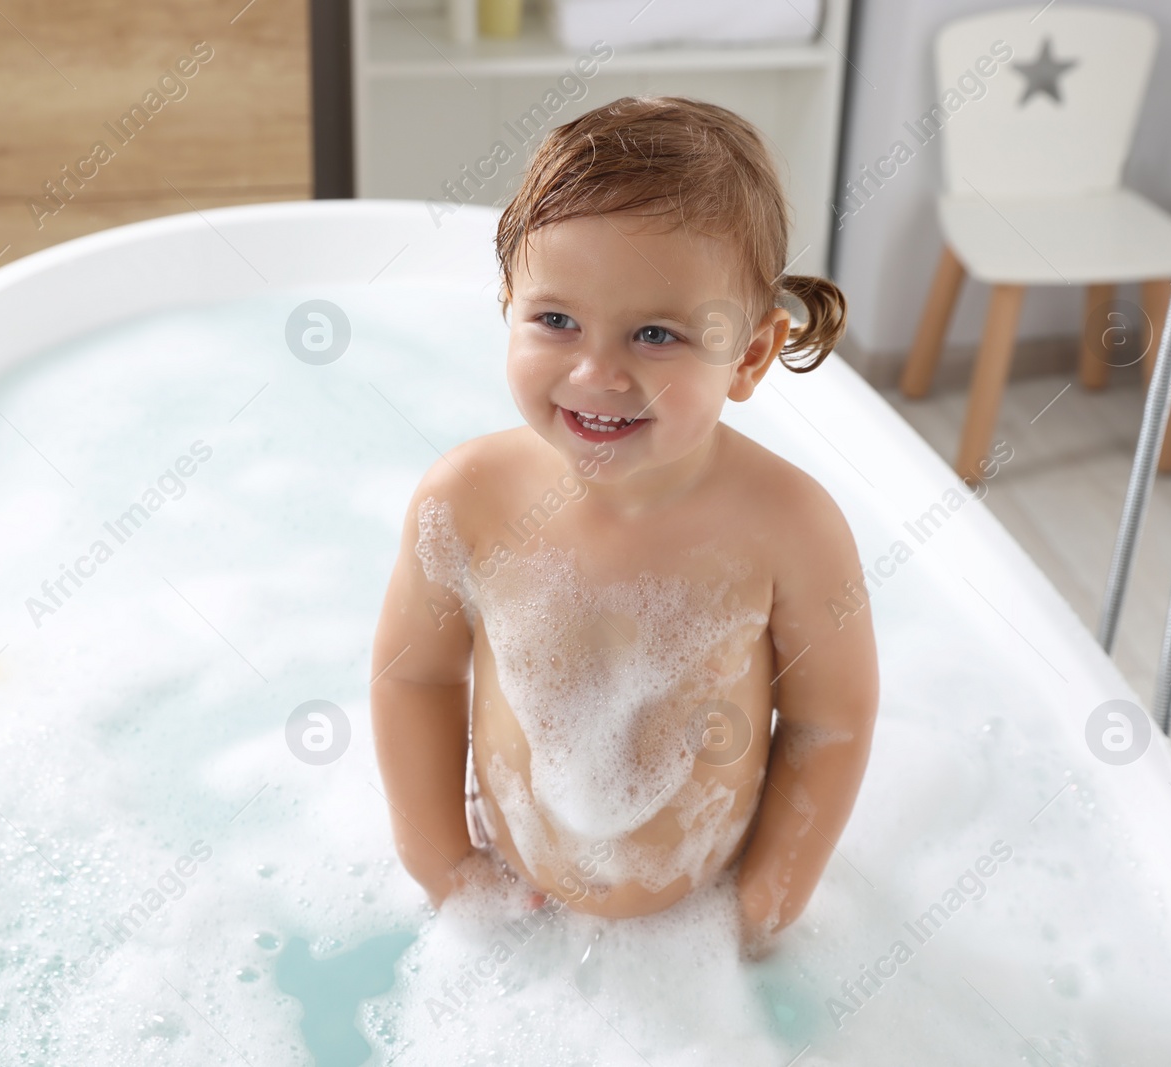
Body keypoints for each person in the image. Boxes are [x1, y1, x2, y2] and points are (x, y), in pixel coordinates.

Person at [370, 95, 878, 959]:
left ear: (750, 355)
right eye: (556, 320)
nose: (596, 371)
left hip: (702, 933)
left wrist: (763, 905)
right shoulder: (467, 498)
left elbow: (829, 723)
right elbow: (414, 678)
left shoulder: (789, 525)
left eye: (655, 333)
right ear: (508, 301)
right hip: (509, 905)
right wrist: (443, 865)